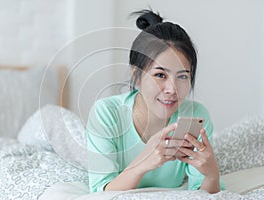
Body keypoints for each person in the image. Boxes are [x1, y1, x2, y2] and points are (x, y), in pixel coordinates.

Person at [86, 9, 224, 194]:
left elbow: (201, 193)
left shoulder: (196, 116)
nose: (172, 89)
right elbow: (100, 191)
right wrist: (145, 161)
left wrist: (211, 175)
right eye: (160, 75)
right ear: (136, 75)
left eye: (182, 76)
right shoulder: (106, 113)